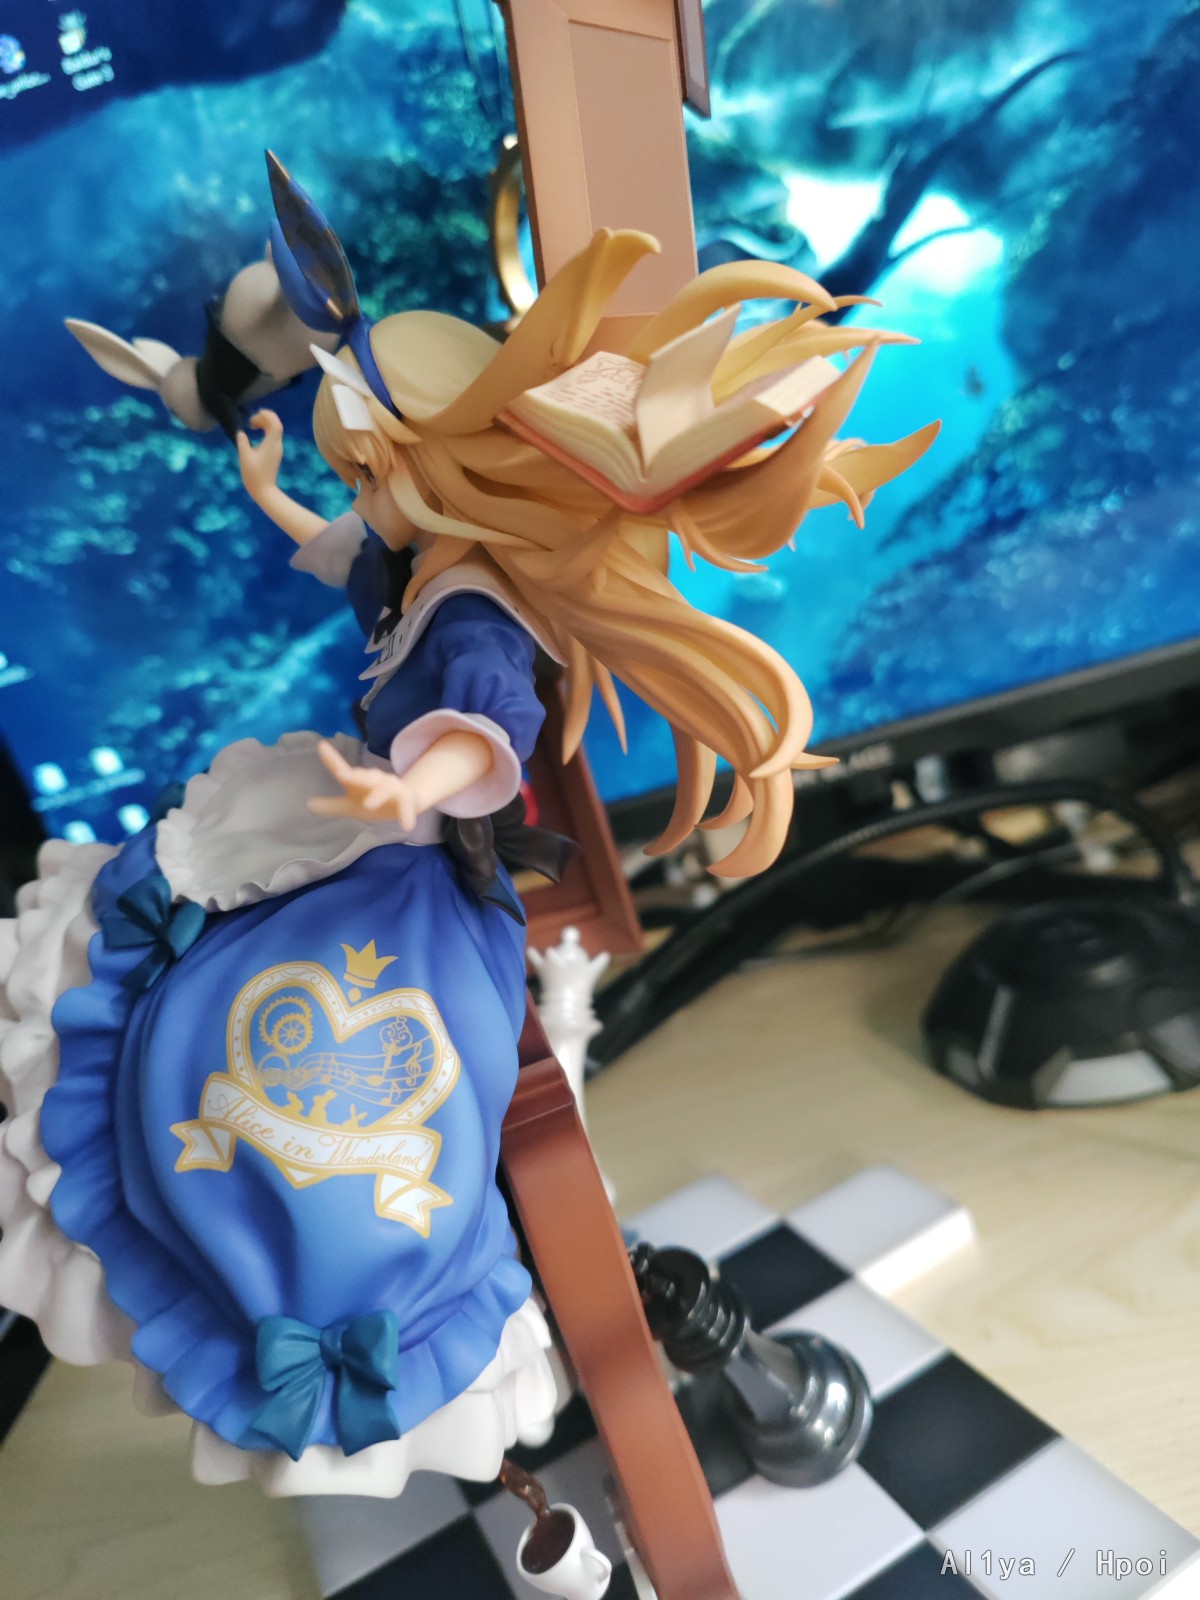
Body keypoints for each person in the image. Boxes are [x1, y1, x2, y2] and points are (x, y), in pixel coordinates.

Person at [0, 157, 935, 1502]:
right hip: (367, 836)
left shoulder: (475, 607)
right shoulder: (415, 559)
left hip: (418, 878)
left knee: (326, 1083)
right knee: (183, 988)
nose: (361, 485)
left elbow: (490, 717)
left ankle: (353, 1312)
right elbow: (350, 553)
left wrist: (416, 786)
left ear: (433, 467)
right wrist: (270, 488)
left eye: (371, 462)